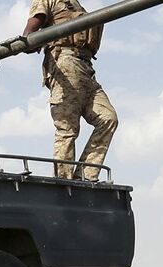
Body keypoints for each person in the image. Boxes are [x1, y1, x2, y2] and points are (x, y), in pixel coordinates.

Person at [24, 0, 118, 181]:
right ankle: (64, 181)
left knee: (108, 118)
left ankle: (84, 176)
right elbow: (29, 32)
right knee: (67, 127)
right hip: (65, 62)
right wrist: (30, 42)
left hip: (86, 67)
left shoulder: (76, 5)